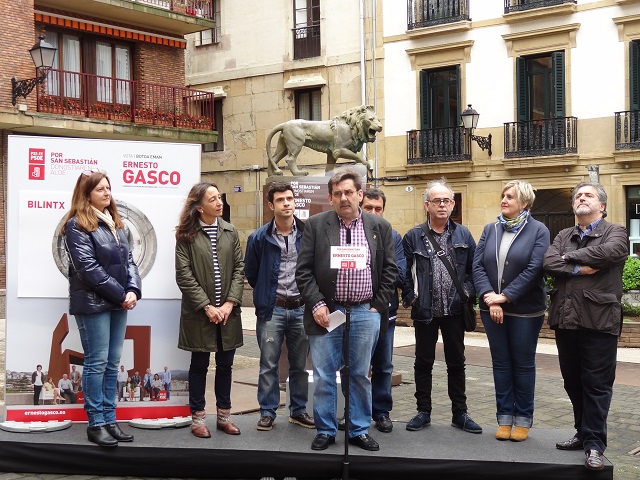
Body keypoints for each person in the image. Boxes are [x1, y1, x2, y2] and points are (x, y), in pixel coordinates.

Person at [296, 167, 398, 452]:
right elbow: (303, 272)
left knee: (360, 375)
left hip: (366, 312)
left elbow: (390, 270)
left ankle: (359, 429)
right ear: (330, 198)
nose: (344, 198)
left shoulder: (380, 228)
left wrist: (377, 307)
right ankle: (327, 430)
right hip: (328, 312)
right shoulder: (316, 226)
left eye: (349, 192)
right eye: (338, 193)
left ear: (360, 194)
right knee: (325, 374)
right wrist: (316, 303)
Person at [543, 181, 628, 471]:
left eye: (588, 195)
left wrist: (569, 257)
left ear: (601, 205)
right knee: (572, 382)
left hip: (599, 321)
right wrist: (578, 266)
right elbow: (549, 262)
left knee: (597, 385)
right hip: (566, 320)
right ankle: (582, 433)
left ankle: (595, 445)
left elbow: (611, 253)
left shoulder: (614, 232)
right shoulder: (564, 234)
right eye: (578, 195)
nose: (581, 198)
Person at [60, 169, 141, 447]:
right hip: (94, 304)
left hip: (119, 302)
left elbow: (130, 262)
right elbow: (88, 270)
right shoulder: (76, 225)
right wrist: (122, 295)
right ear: (86, 195)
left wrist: (133, 290)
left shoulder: (116, 224)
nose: (107, 193)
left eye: (108, 188)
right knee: (95, 363)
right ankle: (95, 424)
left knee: (111, 364)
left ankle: (109, 419)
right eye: (100, 189)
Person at [402, 178, 482, 434]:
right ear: (427, 205)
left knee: (456, 362)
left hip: (455, 311)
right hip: (425, 310)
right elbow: (402, 272)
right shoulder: (413, 236)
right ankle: (423, 411)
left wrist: (467, 293)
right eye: (436, 201)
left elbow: (474, 270)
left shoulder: (464, 235)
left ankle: (460, 413)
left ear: (453, 204)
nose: (442, 205)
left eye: (446, 200)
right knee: (423, 362)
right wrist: (410, 297)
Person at [472, 180, 550, 442]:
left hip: (525, 310)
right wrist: (490, 299)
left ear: (524, 203)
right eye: (503, 196)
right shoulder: (490, 229)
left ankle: (524, 419)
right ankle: (504, 418)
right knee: (501, 364)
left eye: (510, 197)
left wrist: (505, 296)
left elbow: (534, 269)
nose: (504, 200)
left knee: (523, 365)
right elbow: (477, 266)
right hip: (491, 308)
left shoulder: (538, 230)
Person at [175, 182, 244, 438]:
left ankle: (224, 417)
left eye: (220, 198)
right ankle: (198, 419)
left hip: (228, 313)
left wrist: (228, 304)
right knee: (199, 365)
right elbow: (184, 276)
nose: (219, 203)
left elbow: (239, 268)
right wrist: (206, 306)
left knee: (226, 365)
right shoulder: (186, 235)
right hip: (199, 314)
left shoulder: (230, 231)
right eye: (213, 199)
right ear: (199, 206)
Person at [245, 182, 313, 431]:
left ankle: (298, 410)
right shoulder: (259, 237)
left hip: (300, 307)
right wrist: (266, 295)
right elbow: (251, 273)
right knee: (269, 364)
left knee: (299, 365)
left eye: (290, 198)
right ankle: (268, 411)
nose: (287, 203)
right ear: (271, 205)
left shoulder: (308, 233)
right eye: (281, 200)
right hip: (272, 309)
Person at [340, 188, 405, 433]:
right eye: (369, 208)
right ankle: (351, 411)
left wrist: (376, 301)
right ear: (359, 205)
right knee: (352, 366)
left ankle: (381, 412)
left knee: (383, 364)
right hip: (353, 312)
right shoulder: (348, 233)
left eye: (378, 209)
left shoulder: (391, 235)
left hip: (383, 313)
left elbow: (398, 272)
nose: (374, 213)